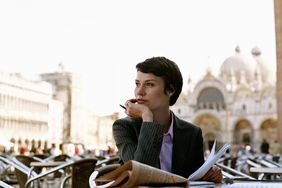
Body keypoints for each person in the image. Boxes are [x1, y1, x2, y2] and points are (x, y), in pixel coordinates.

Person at [113, 56, 222, 183]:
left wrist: (210, 173)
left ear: (170, 90)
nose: (139, 92)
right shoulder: (123, 127)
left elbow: (196, 177)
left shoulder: (192, 133)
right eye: (137, 84)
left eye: (149, 84)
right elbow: (141, 175)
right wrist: (147, 117)